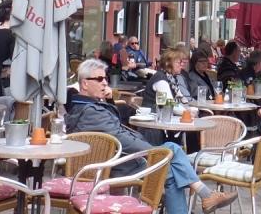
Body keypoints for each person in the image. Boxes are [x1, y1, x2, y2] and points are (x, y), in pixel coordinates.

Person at [66, 59, 238, 213]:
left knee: (171, 154)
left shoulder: (87, 107)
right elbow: (120, 138)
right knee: (171, 164)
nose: (105, 83)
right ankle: (206, 195)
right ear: (84, 84)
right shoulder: (90, 112)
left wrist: (109, 101)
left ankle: (206, 195)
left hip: (117, 161)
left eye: (105, 78)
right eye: (99, 79)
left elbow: (116, 128)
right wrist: (153, 152)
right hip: (112, 168)